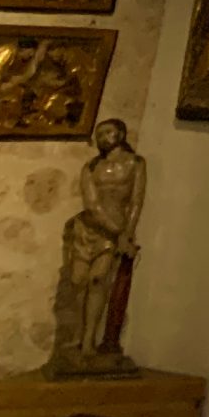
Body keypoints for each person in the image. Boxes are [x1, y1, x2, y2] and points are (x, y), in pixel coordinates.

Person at [51, 120, 145, 377]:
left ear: (121, 134)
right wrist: (119, 233)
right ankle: (78, 336)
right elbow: (92, 204)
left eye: (108, 132)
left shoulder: (135, 164)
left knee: (98, 280)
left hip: (115, 233)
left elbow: (136, 201)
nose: (103, 137)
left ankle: (90, 339)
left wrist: (127, 232)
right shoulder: (92, 167)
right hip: (90, 229)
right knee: (78, 279)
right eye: (99, 134)